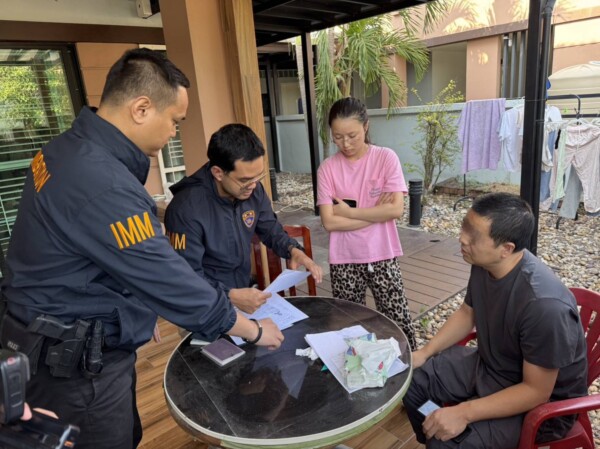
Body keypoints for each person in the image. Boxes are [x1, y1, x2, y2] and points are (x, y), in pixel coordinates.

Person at [0, 48, 283, 449]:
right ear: (141, 108)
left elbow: (95, 256)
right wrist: (253, 331)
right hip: (74, 367)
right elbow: (172, 281)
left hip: (50, 342)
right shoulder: (104, 183)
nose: (174, 133)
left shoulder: (64, 150)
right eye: (174, 121)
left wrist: (135, 304)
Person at [403, 192, 587, 448]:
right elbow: (467, 313)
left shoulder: (544, 306)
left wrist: (464, 412)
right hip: (493, 367)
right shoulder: (484, 263)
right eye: (464, 227)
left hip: (540, 405)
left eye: (473, 235)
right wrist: (424, 352)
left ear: (506, 249)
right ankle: (433, 427)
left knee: (448, 444)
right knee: (412, 384)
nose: (462, 238)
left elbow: (536, 392)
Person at [164, 123, 322, 314]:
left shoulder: (252, 190)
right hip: (204, 306)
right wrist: (230, 295)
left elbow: (271, 229)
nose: (253, 186)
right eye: (245, 180)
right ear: (218, 173)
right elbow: (186, 276)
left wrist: (293, 250)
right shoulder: (186, 209)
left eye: (258, 177)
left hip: (243, 294)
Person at [316, 97, 417, 349]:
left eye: (352, 135)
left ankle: (412, 365)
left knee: (398, 319)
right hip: (344, 258)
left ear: (366, 126)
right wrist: (375, 214)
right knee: (349, 326)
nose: (346, 143)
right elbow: (329, 222)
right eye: (338, 137)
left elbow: (395, 209)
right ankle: (356, 368)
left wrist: (348, 213)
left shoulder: (385, 158)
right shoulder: (327, 169)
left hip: (382, 253)